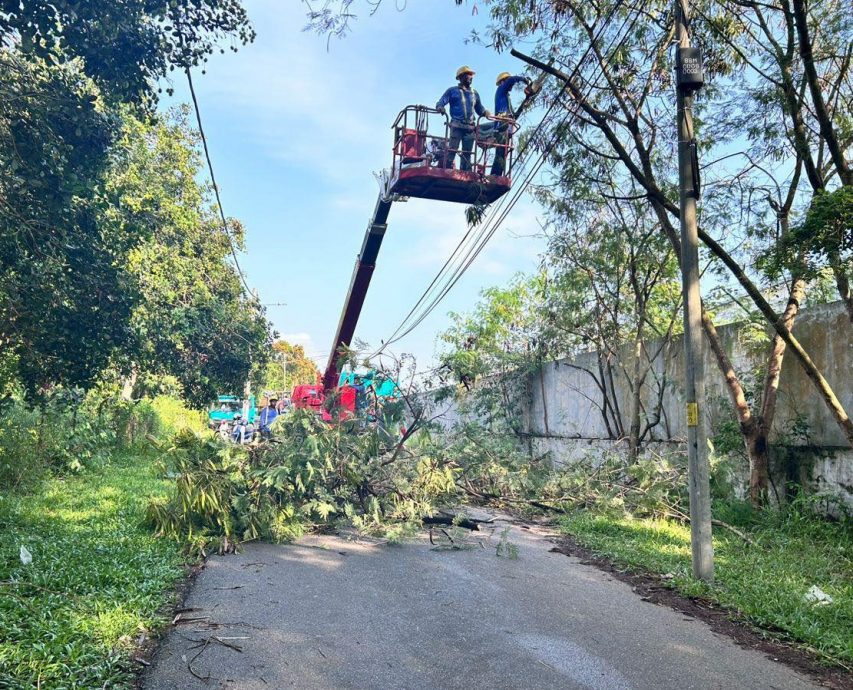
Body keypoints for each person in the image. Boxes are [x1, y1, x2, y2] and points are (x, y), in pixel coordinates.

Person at [436, 66, 491, 171]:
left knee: (468, 153)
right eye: (468, 75)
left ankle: (465, 172)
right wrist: (440, 107)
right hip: (457, 125)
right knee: (452, 150)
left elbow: (479, 108)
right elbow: (441, 101)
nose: (470, 77)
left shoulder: (474, 94)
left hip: (470, 128)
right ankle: (447, 170)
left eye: (471, 75)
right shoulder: (452, 91)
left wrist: (485, 112)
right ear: (461, 77)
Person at [491, 71, 532, 176]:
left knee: (504, 153)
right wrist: (523, 79)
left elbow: (514, 117)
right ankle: (495, 175)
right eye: (507, 82)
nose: (512, 85)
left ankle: (497, 174)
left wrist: (526, 100)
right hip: (501, 127)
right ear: (502, 82)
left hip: (507, 128)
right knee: (500, 152)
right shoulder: (500, 90)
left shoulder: (506, 99)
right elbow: (511, 80)